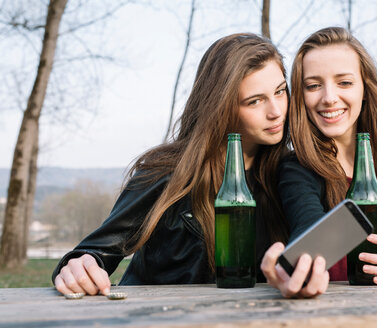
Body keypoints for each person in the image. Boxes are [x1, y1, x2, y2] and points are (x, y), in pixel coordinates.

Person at [52, 33, 317, 297]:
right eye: (255, 101)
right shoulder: (167, 172)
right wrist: (79, 266)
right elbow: (97, 251)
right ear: (222, 107)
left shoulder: (289, 175)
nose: (276, 111)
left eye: (280, 91)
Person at [261, 27, 377, 290]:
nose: (329, 98)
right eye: (313, 85)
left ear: (365, 89)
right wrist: (301, 268)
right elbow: (306, 230)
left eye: (344, 82)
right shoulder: (297, 169)